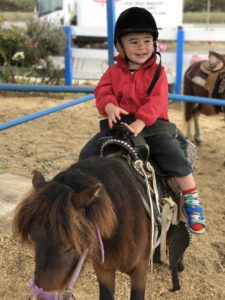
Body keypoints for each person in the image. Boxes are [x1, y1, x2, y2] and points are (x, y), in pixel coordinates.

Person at [79, 7, 205, 234]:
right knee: (87, 154)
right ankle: (82, 198)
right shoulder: (113, 72)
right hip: (119, 125)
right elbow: (102, 91)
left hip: (153, 125)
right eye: (134, 42)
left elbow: (157, 102)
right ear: (120, 46)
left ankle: (192, 200)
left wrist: (141, 121)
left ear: (154, 43)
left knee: (172, 154)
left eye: (147, 41)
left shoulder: (158, 72)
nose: (142, 47)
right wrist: (109, 106)